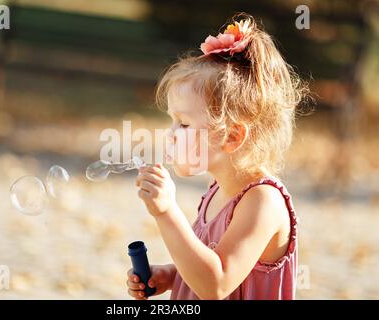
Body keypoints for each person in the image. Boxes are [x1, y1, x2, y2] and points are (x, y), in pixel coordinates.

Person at [127, 14, 305, 300]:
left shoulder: (263, 202)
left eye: (183, 124)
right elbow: (211, 261)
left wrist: (166, 211)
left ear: (232, 136)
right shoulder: (217, 191)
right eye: (172, 122)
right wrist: (172, 275)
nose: (171, 134)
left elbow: (217, 283)